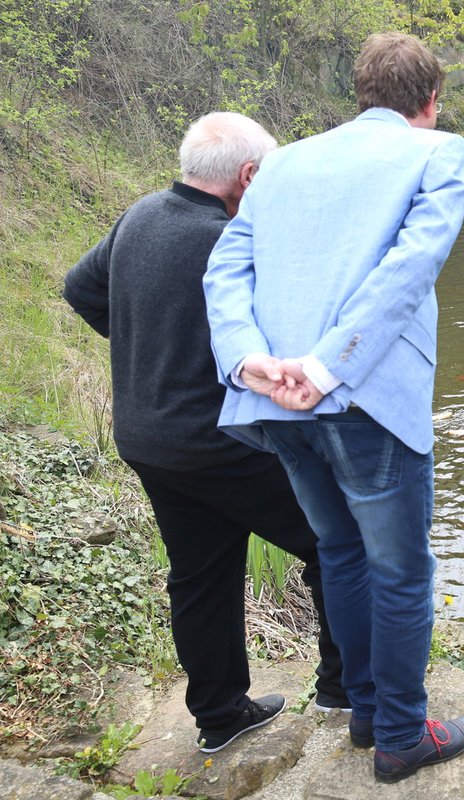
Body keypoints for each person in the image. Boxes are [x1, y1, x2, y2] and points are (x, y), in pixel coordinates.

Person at [202, 33, 464, 783]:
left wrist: (247, 357)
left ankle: (365, 711)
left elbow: (226, 266)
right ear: (430, 103)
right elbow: (409, 268)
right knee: (400, 572)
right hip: (365, 402)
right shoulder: (438, 153)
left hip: (273, 403)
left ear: (360, 95)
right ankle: (399, 736)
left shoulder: (284, 161)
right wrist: (327, 369)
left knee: (341, 552)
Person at [63, 112, 347, 755]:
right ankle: (343, 687)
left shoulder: (139, 216)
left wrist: (147, 347)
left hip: (147, 439)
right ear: (248, 176)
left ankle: (220, 715)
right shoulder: (234, 239)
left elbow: (80, 290)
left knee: (200, 574)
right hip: (221, 443)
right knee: (338, 542)